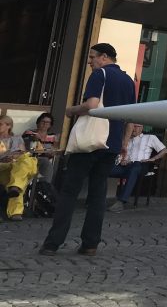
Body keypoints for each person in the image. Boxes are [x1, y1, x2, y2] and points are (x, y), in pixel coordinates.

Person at [40, 43, 136, 256]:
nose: (90, 62)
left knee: (69, 192)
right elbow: (132, 116)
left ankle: (52, 243)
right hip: (111, 144)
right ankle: (90, 243)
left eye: (92, 57)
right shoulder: (129, 80)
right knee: (98, 193)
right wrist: (124, 143)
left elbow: (92, 105)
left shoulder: (99, 74)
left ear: (104, 57)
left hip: (89, 143)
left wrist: (71, 110)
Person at [107, 123, 167, 212]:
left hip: (141, 165)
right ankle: (93, 200)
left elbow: (165, 150)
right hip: (126, 166)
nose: (134, 129)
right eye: (133, 126)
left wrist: (153, 159)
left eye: (136, 126)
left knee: (135, 167)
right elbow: (120, 156)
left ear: (142, 127)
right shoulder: (126, 141)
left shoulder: (150, 137)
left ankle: (121, 202)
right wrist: (122, 160)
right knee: (105, 169)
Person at [1, 114, 39, 221]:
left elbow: (22, 153)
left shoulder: (17, 138)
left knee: (25, 160)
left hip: (16, 165)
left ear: (9, 126)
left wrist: (14, 156)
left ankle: (15, 187)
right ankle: (15, 211)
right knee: (20, 176)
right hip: (2, 167)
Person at [22, 112, 60, 181]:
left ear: (50, 125)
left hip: (45, 162)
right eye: (43, 121)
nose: (45, 124)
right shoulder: (30, 132)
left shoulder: (53, 136)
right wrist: (33, 138)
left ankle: (42, 185)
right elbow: (25, 145)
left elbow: (54, 150)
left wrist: (53, 149)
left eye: (48, 122)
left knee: (48, 163)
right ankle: (43, 185)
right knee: (44, 162)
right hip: (30, 159)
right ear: (38, 122)